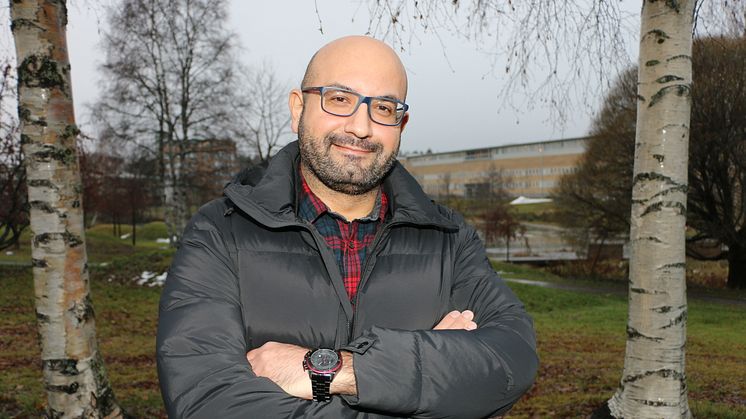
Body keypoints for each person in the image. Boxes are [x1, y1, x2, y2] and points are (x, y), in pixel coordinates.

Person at [157, 35, 538, 418]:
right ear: (298, 108)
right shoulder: (220, 232)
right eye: (339, 99)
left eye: (385, 108)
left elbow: (511, 360)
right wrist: (430, 375)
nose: (360, 127)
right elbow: (208, 400)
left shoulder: (449, 239)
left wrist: (336, 369)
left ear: (401, 124)